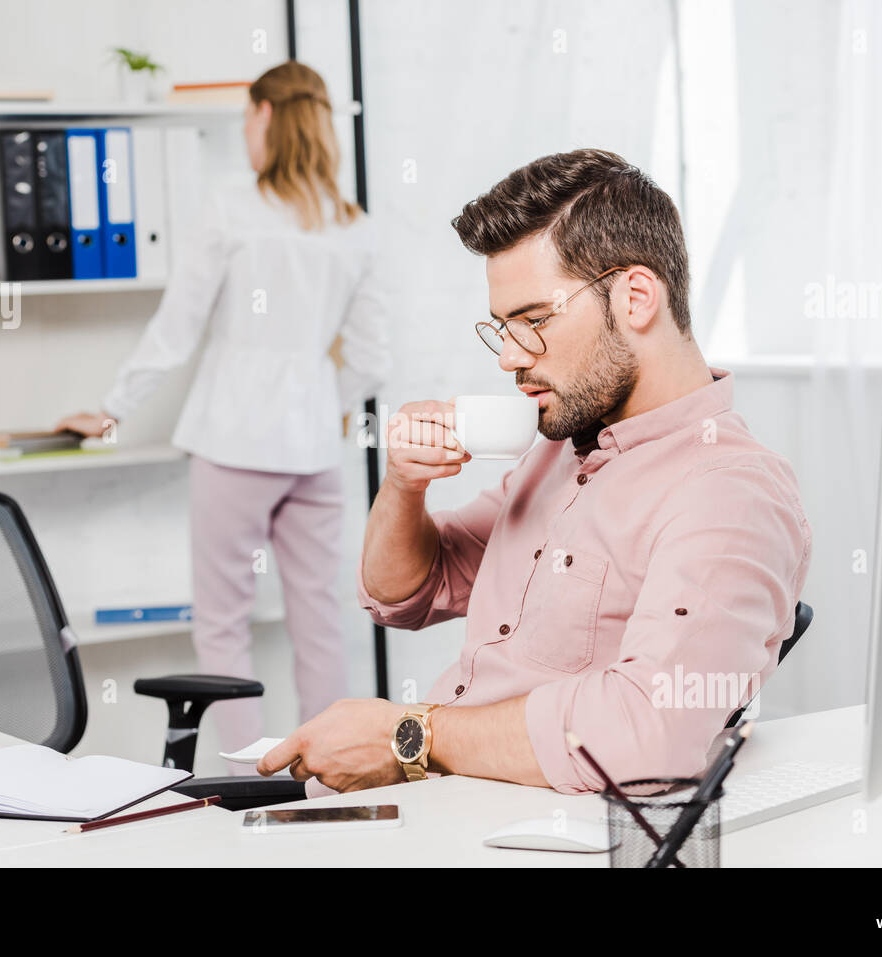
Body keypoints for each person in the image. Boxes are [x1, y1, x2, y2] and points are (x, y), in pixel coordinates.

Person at [257, 148, 811, 795]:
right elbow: (406, 593)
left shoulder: (728, 492)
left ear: (636, 296)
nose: (510, 358)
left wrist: (410, 736)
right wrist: (405, 484)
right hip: (423, 804)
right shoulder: (559, 450)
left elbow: (650, 733)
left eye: (534, 320)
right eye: (501, 328)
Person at [58, 61, 390, 773]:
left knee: (222, 624)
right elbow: (371, 358)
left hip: (235, 442)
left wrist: (113, 411)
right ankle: (329, 776)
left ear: (268, 115)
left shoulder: (232, 206)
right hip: (313, 452)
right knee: (320, 622)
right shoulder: (352, 225)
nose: (245, 132)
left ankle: (252, 778)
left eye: (247, 117)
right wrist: (323, 402)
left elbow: (176, 330)